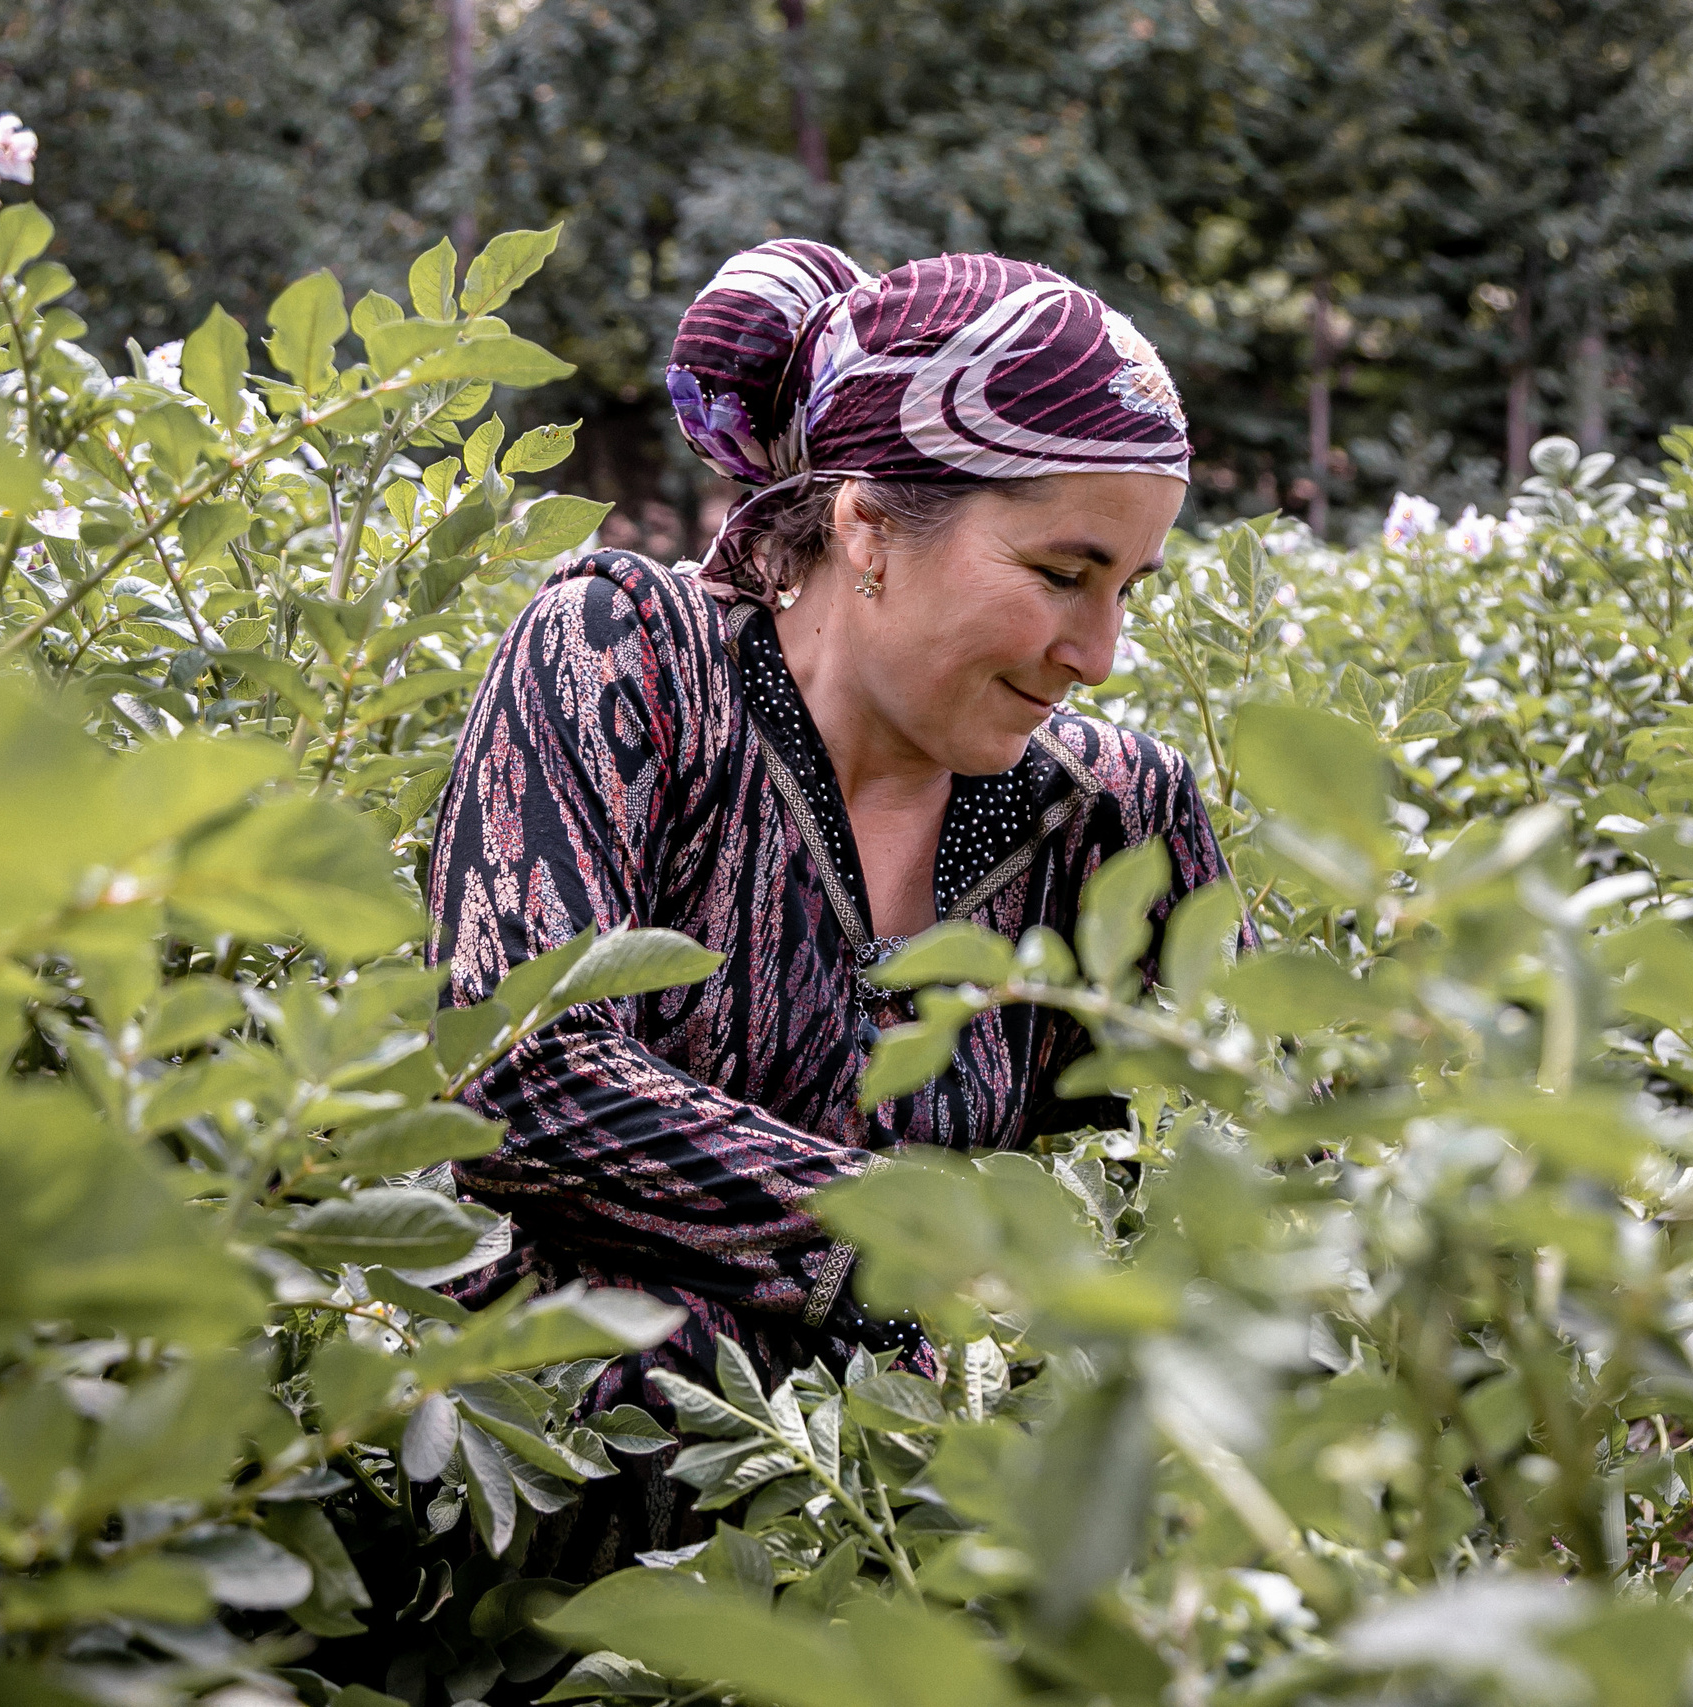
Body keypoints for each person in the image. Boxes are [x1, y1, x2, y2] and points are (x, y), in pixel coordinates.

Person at [425, 240, 1235, 1578]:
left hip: (958, 1528)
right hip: (583, 1524)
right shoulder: (630, 657)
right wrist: (925, 1255)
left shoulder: (1110, 813)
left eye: (1127, 591)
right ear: (866, 526)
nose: (1097, 655)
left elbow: (1218, 1153)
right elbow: (516, 1079)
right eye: (1061, 573)